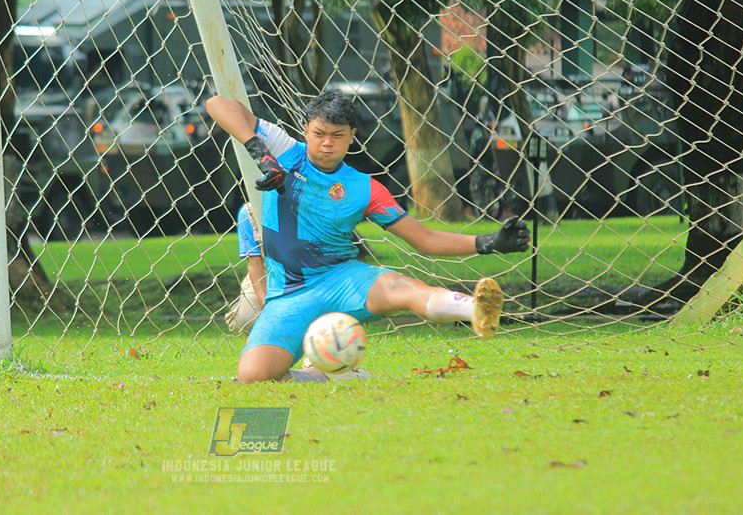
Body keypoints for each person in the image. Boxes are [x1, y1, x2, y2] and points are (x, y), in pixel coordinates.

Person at [205, 90, 530, 383]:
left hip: (343, 279)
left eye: (337, 136)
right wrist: (260, 154)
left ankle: (474, 309)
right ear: (306, 130)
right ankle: (332, 377)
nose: (326, 143)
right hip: (289, 296)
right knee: (252, 376)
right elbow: (218, 104)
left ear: (352, 138)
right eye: (318, 134)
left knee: (402, 288)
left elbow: (423, 239)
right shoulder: (286, 153)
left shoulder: (365, 188)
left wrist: (486, 243)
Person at [224, 203, 266, 333]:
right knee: (245, 319)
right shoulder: (249, 211)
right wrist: (266, 305)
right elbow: (254, 263)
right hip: (267, 279)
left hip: (307, 278)